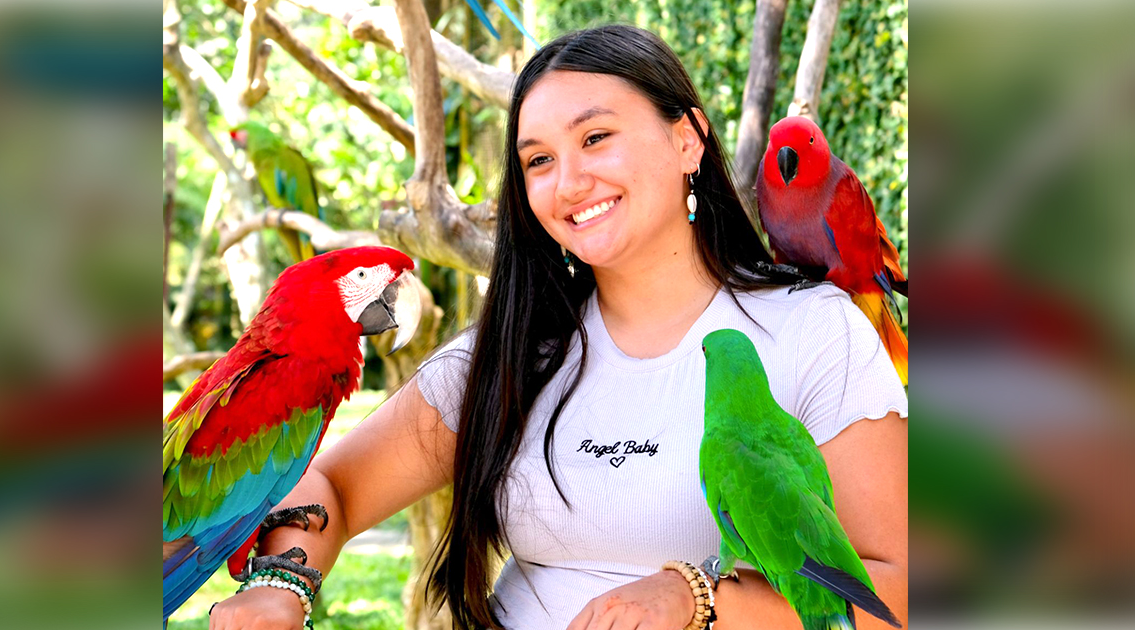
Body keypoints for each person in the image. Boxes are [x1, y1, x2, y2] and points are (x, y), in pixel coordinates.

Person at [209, 24, 907, 630]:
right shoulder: (513, 354)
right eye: (539, 160)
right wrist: (281, 585)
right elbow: (325, 487)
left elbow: (904, 591)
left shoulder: (816, 333)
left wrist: (697, 599)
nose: (568, 181)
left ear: (688, 140)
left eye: (596, 138)